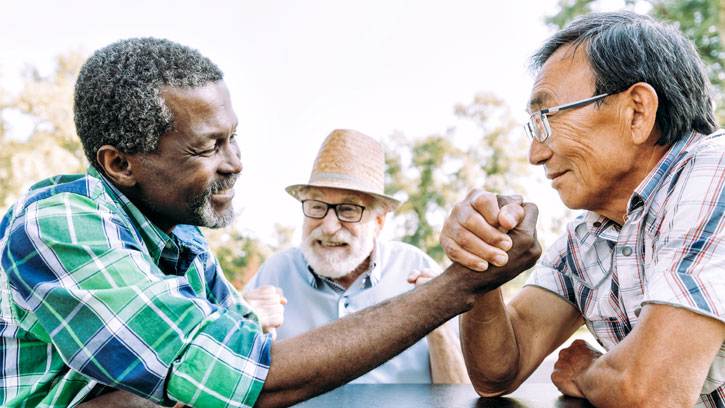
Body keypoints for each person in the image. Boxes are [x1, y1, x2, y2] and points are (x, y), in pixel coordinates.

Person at [0, 37, 540, 408]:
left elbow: (225, 368)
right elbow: (233, 378)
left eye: (232, 137)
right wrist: (460, 286)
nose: (235, 162)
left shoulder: (183, 242)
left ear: (379, 219)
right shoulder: (60, 224)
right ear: (121, 164)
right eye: (209, 147)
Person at [439, 11, 725, 408]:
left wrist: (590, 370)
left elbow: (652, 391)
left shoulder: (716, 168)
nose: (535, 154)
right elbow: (497, 373)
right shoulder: (589, 233)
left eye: (546, 119)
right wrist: (481, 260)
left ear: (637, 111)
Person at [243, 129, 469, 384]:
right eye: (317, 206)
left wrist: (435, 321)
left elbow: (458, 394)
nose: (328, 227)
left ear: (379, 222)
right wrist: (245, 327)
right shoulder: (274, 274)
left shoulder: (415, 267)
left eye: (348, 209)